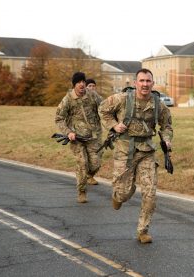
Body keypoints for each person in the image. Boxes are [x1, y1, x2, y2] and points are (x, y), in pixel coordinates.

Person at [99, 68, 173, 243]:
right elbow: (103, 109)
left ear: (153, 83)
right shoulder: (122, 99)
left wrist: (167, 140)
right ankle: (119, 195)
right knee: (123, 193)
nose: (145, 84)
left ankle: (143, 231)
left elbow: (167, 126)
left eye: (148, 81)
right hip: (125, 151)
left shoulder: (158, 105)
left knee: (150, 193)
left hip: (147, 151)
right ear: (135, 83)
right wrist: (114, 125)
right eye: (142, 81)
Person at [55, 72, 103, 203]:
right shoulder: (68, 99)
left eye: (83, 81)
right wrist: (68, 132)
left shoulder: (92, 95)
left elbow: (104, 107)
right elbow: (59, 118)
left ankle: (88, 175)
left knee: (95, 163)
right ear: (74, 85)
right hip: (76, 138)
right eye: (78, 82)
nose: (82, 84)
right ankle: (82, 191)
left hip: (93, 136)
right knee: (82, 163)